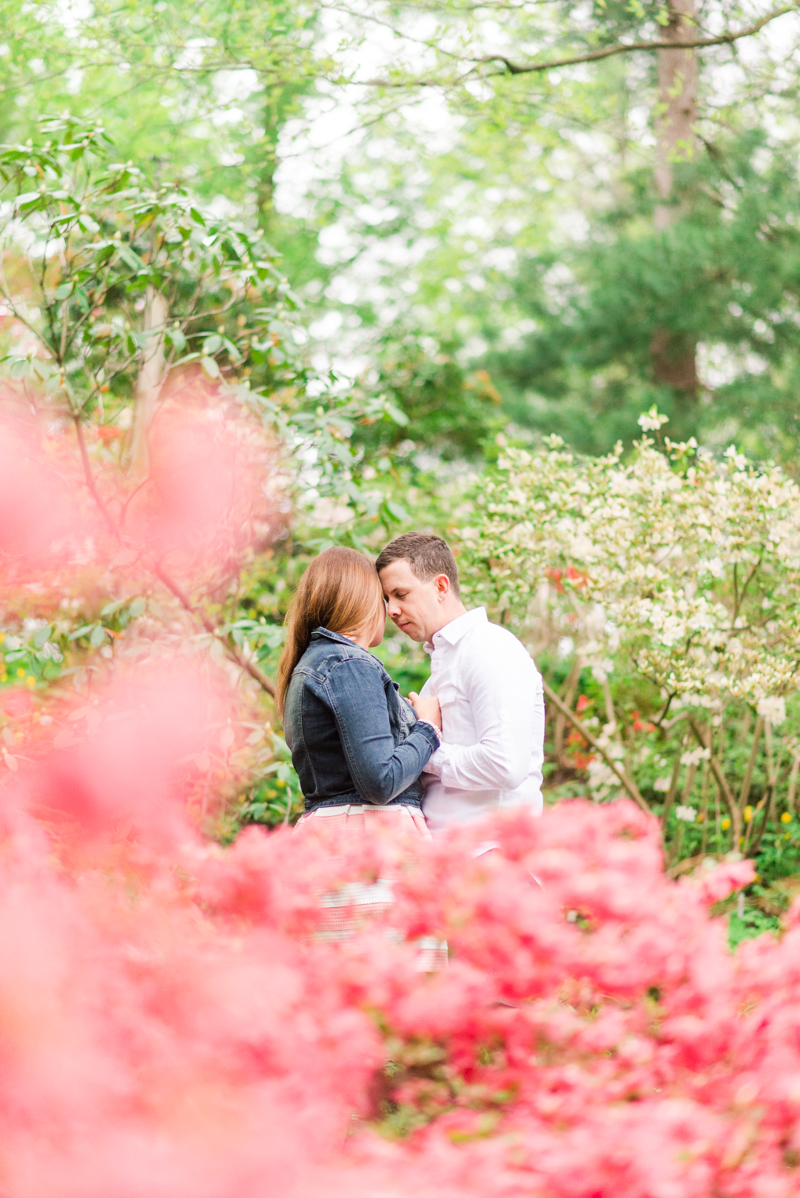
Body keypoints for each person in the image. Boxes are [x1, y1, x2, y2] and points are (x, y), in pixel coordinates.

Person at [376, 532, 545, 834]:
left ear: (441, 586)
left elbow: (505, 764)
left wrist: (425, 750)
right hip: (450, 861)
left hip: (491, 854)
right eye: (386, 600)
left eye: (400, 594)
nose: (391, 610)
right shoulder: (434, 681)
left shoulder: (490, 648)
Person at [276, 545, 442, 840]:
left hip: (331, 833)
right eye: (383, 599)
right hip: (368, 838)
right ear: (362, 600)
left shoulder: (314, 664)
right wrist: (427, 728)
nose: (390, 611)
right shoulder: (350, 664)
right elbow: (381, 782)